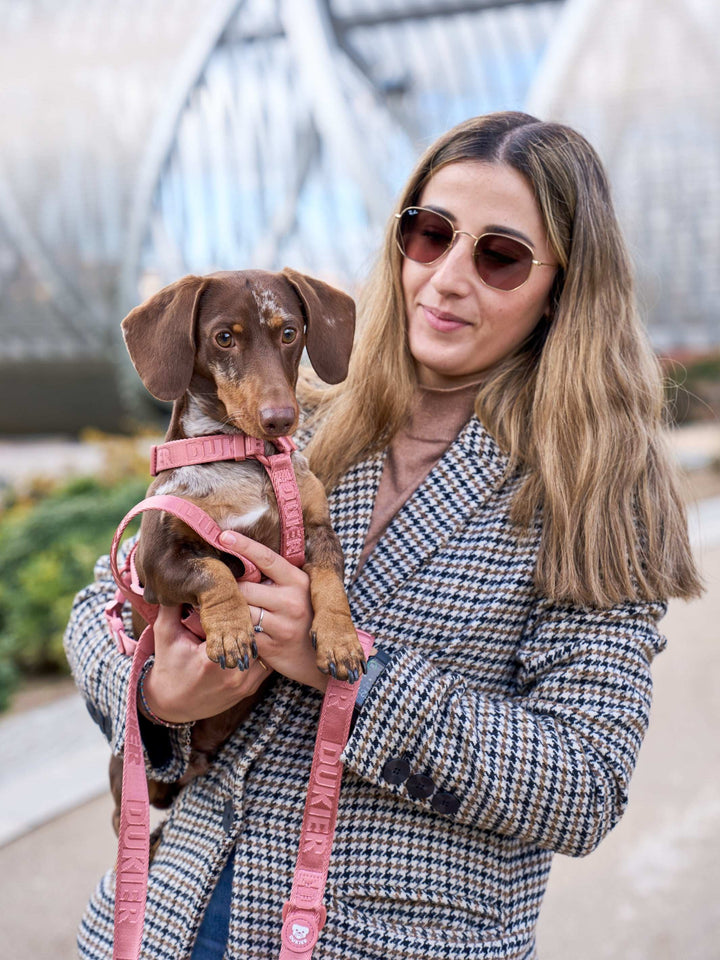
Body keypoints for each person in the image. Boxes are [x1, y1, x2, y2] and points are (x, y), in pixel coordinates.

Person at [64, 111, 701, 960]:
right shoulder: (290, 420)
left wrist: (349, 673)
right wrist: (156, 695)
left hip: (384, 942)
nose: (446, 278)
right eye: (430, 234)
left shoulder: (601, 489)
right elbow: (101, 608)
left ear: (564, 286)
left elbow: (584, 787)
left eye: (500, 256)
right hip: (168, 919)